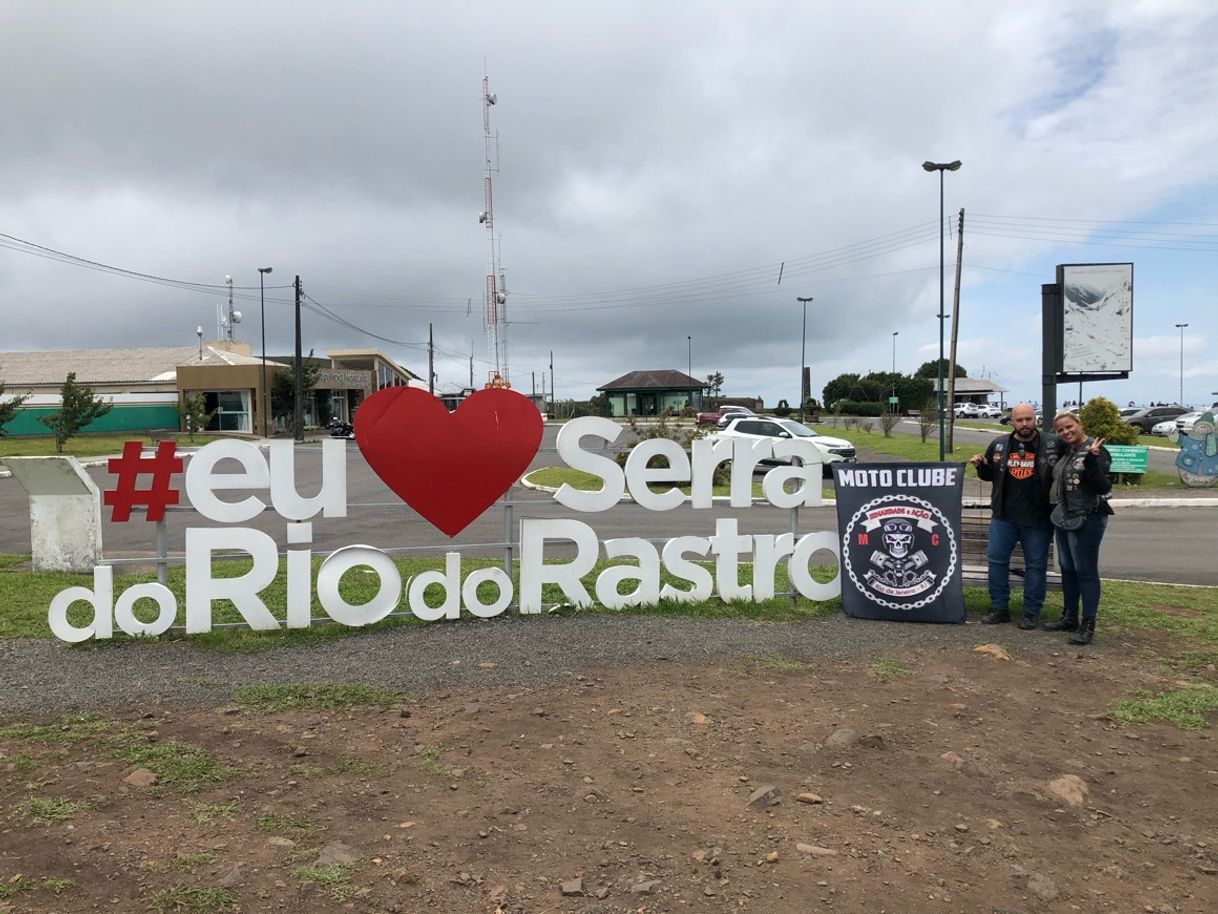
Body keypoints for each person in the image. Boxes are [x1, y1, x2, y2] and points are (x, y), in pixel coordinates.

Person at [968, 403, 1055, 628]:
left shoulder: (1052, 444)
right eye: (1020, 420)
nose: (1025, 424)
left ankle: (1031, 611)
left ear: (1034, 419)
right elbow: (989, 475)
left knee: (1035, 566)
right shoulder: (999, 444)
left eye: (1028, 419)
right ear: (1012, 421)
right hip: (1003, 516)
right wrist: (981, 465)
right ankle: (999, 608)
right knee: (996, 561)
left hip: (1038, 518)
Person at [1045, 411, 1113, 645]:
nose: (1066, 432)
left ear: (1079, 424)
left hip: (1088, 517)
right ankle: (1069, 616)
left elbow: (1102, 486)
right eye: (1061, 429)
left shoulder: (1096, 450)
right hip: (1064, 516)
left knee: (1085, 570)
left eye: (1069, 427)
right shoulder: (1068, 451)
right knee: (1067, 568)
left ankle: (1088, 624)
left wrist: (1093, 460)